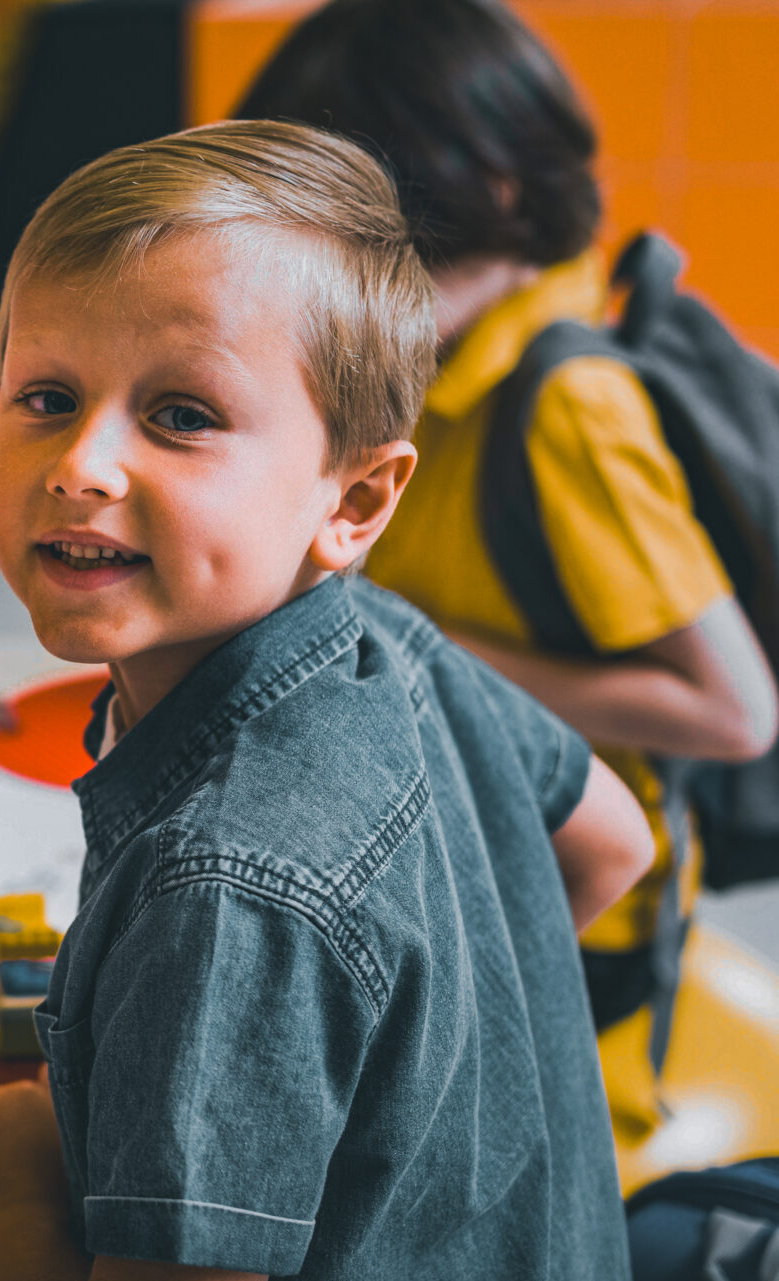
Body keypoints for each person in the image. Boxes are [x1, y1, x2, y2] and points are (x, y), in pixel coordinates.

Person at [0, 121, 652, 1279]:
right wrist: (415, 1066)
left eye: (182, 416)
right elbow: (614, 837)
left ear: (354, 502)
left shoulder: (222, 890)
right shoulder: (391, 636)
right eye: (47, 397)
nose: (81, 464)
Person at [235, 0, 779, 1147]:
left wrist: (427, 649)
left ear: (499, 203)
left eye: (372, 251)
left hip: (575, 914)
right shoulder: (435, 360)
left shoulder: (565, 410)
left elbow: (733, 711)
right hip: (450, 844)